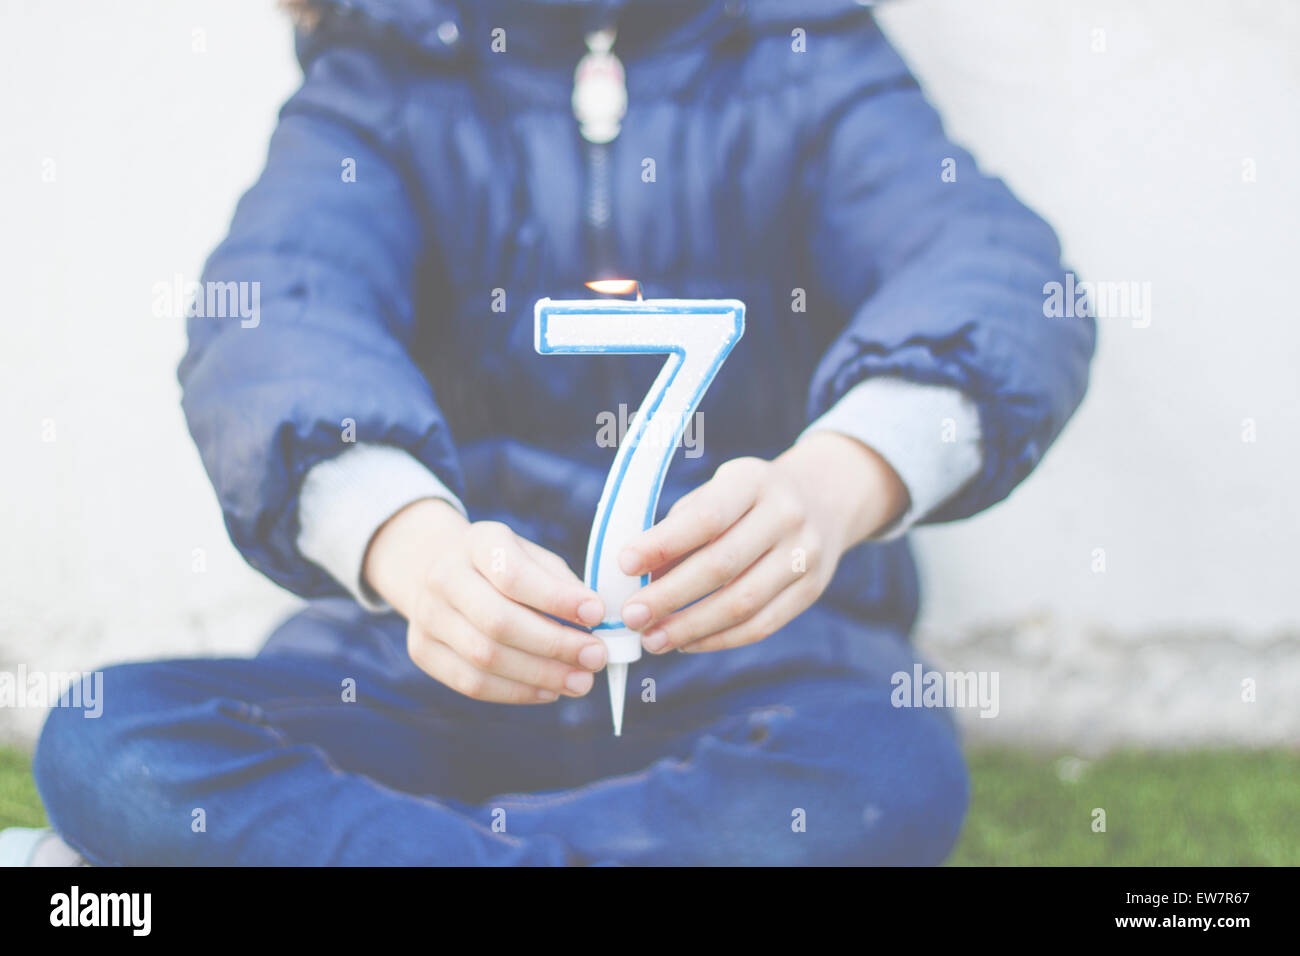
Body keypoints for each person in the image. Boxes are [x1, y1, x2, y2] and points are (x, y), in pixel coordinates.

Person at [24, 0, 1094, 865]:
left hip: (755, 666)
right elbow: (277, 309)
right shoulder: (386, 69)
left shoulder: (808, 51)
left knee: (890, 770)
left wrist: (835, 482)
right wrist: (410, 546)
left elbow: (998, 278)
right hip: (421, 669)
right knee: (112, 738)